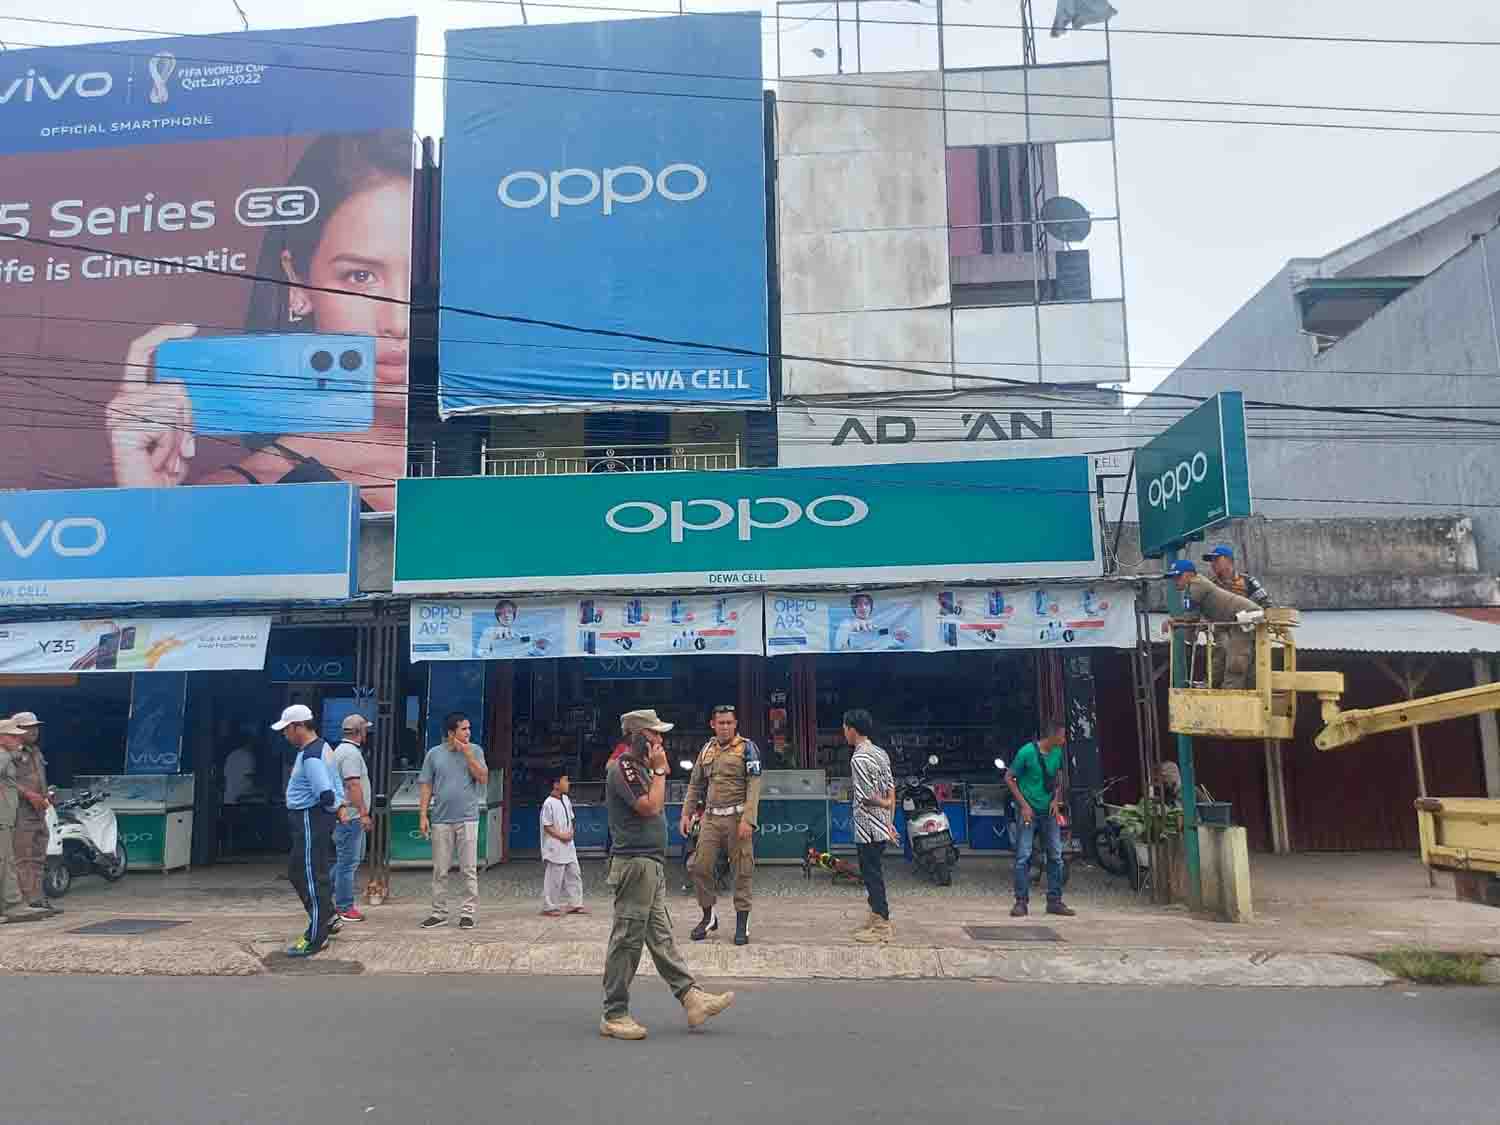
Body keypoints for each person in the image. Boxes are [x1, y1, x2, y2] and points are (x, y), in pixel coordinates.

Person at [104, 130, 412, 509]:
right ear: (298, 282)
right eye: (360, 277)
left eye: (425, 277)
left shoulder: (499, 459)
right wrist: (147, 509)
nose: (398, 321)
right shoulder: (236, 497)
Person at [601, 710, 735, 1041]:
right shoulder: (624, 767)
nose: (660, 742)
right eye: (654, 736)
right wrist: (659, 769)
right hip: (635, 865)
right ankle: (614, 1013)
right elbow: (650, 806)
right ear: (637, 738)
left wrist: (657, 767)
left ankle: (691, 998)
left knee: (660, 938)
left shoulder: (641, 767)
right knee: (627, 940)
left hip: (650, 865)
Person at [680, 704, 763, 946]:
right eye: (720, 723)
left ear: (735, 724)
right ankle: (708, 917)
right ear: (713, 724)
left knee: (742, 871)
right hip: (711, 818)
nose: (725, 727)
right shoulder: (707, 749)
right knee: (699, 866)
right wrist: (686, 813)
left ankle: (741, 923)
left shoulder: (748, 749)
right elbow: (695, 784)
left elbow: (754, 786)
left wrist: (749, 819)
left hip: (738, 818)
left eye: (729, 722)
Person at [272, 704, 348, 957]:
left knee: (313, 876)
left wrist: (335, 805)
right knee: (297, 870)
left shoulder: (311, 756)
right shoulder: (324, 747)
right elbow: (336, 784)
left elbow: (325, 793)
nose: (285, 735)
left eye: (287, 730)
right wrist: (339, 806)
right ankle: (328, 916)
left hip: (308, 818)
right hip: (312, 819)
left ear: (298, 727)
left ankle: (316, 936)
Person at [418, 712, 488, 931]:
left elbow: (483, 778)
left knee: (468, 869)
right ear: (451, 732)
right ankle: (439, 912)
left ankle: (467, 913)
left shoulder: (475, 750)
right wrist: (422, 815)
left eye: (469, 728)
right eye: (464, 729)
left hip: (467, 817)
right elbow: (426, 785)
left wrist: (468, 755)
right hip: (440, 818)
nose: (468, 732)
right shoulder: (434, 754)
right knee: (440, 869)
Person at [1006, 721, 1075, 919]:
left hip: (1049, 812)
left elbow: (1057, 778)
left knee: (1055, 855)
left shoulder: (1057, 753)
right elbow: (1009, 777)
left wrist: (1056, 799)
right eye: (1062, 736)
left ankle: (1054, 901)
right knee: (1023, 856)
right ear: (1052, 736)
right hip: (1028, 812)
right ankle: (1021, 902)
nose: (1064, 741)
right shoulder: (1026, 752)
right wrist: (1024, 806)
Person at [843, 709, 898, 944]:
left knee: (871, 875)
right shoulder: (880, 752)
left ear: (852, 730)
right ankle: (875, 917)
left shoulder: (859, 758)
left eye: (844, 728)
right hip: (882, 826)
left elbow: (866, 796)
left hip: (867, 828)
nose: (844, 733)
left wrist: (883, 803)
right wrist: (890, 820)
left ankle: (882, 925)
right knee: (874, 872)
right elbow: (891, 787)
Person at [1167, 560, 1264, 689]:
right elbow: (1193, 618)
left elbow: (1191, 617)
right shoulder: (1196, 585)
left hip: (1246, 616)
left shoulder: (1196, 585)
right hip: (1234, 619)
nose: (1175, 581)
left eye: (1177, 577)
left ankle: (1230, 692)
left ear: (1189, 574)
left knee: (1236, 658)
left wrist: (1174, 621)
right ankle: (1213, 684)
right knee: (1221, 651)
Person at [0, 719, 48, 924]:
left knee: (9, 861)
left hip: (7, 816)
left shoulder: (17, 755)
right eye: (12, 735)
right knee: (7, 861)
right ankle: (13, 904)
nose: (17, 738)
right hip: (5, 816)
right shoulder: (3, 756)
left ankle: (15, 903)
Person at [9, 712, 56, 914]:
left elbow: (38, 778)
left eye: (35, 726)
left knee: (38, 856)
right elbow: (7, 782)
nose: (34, 730)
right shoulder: (8, 753)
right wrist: (29, 795)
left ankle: (38, 898)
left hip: (39, 811)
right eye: (29, 727)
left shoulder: (35, 751)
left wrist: (46, 794)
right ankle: (25, 901)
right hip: (20, 812)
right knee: (21, 858)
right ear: (16, 729)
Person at [330, 714, 374, 923]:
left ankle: (322, 896)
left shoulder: (343, 751)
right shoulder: (350, 754)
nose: (367, 733)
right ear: (360, 732)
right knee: (348, 864)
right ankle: (344, 907)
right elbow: (352, 784)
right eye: (366, 729)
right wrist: (364, 813)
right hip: (352, 817)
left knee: (344, 862)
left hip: (348, 817)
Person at [541, 772, 586, 917]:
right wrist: (561, 836)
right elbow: (547, 825)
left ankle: (575, 903)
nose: (568, 783)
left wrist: (571, 832)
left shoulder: (566, 799)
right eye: (565, 780)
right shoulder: (548, 803)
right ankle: (549, 906)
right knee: (554, 876)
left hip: (568, 842)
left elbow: (571, 818)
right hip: (555, 843)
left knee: (574, 873)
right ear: (556, 784)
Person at [833, 593, 911, 652]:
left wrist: (898, 639)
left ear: (871, 607)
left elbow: (886, 642)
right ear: (854, 608)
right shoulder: (847, 623)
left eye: (866, 604)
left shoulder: (879, 625)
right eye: (859, 604)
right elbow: (838, 646)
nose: (863, 607)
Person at [1203, 545, 1273, 608]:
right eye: (1211, 561)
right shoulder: (1210, 584)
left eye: (1216, 560)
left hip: (1244, 621)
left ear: (1228, 560)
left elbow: (1266, 604)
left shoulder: (1248, 581)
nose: (1212, 564)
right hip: (1219, 621)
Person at [222, 736, 260, 806]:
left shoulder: (231, 755)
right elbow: (249, 779)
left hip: (227, 799)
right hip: (241, 801)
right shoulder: (247, 756)